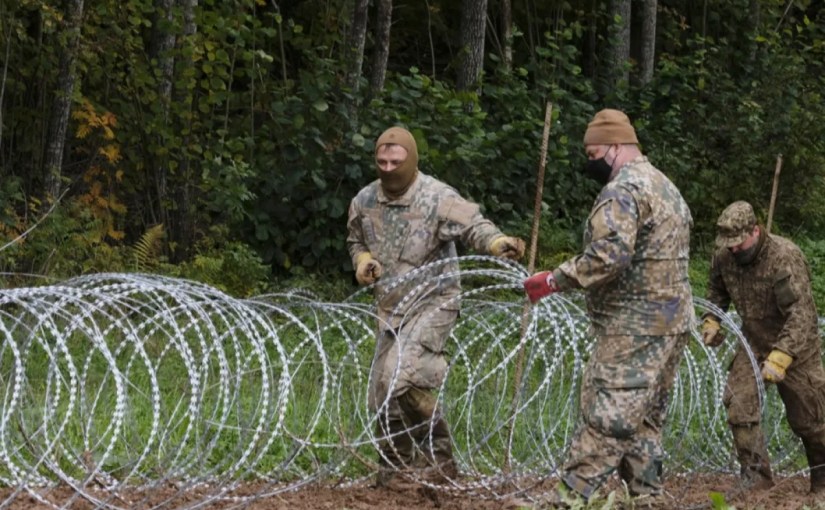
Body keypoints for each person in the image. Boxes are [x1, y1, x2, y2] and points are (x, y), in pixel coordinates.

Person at [522, 109, 694, 503]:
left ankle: (569, 499)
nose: (590, 162)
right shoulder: (665, 186)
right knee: (644, 418)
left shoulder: (623, 190)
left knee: (610, 413)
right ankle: (647, 498)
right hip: (672, 320)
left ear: (615, 147)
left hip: (635, 323)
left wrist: (555, 279)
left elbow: (609, 255)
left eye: (593, 153)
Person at [347, 126, 525, 488]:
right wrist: (362, 260)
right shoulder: (364, 200)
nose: (388, 168)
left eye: (396, 162)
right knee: (382, 392)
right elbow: (355, 239)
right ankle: (395, 467)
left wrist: (496, 243)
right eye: (382, 161)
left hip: (434, 302)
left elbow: (474, 225)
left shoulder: (437, 196)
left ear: (411, 160)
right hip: (390, 307)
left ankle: (438, 460)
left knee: (398, 375)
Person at [701, 200, 825, 494]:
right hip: (753, 341)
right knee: (739, 407)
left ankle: (822, 479)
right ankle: (756, 478)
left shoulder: (784, 257)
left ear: (755, 231)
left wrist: (781, 356)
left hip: (797, 346)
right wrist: (712, 319)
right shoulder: (725, 256)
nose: (733, 249)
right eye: (728, 244)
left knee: (811, 419)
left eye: (739, 243)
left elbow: (801, 314)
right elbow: (717, 290)